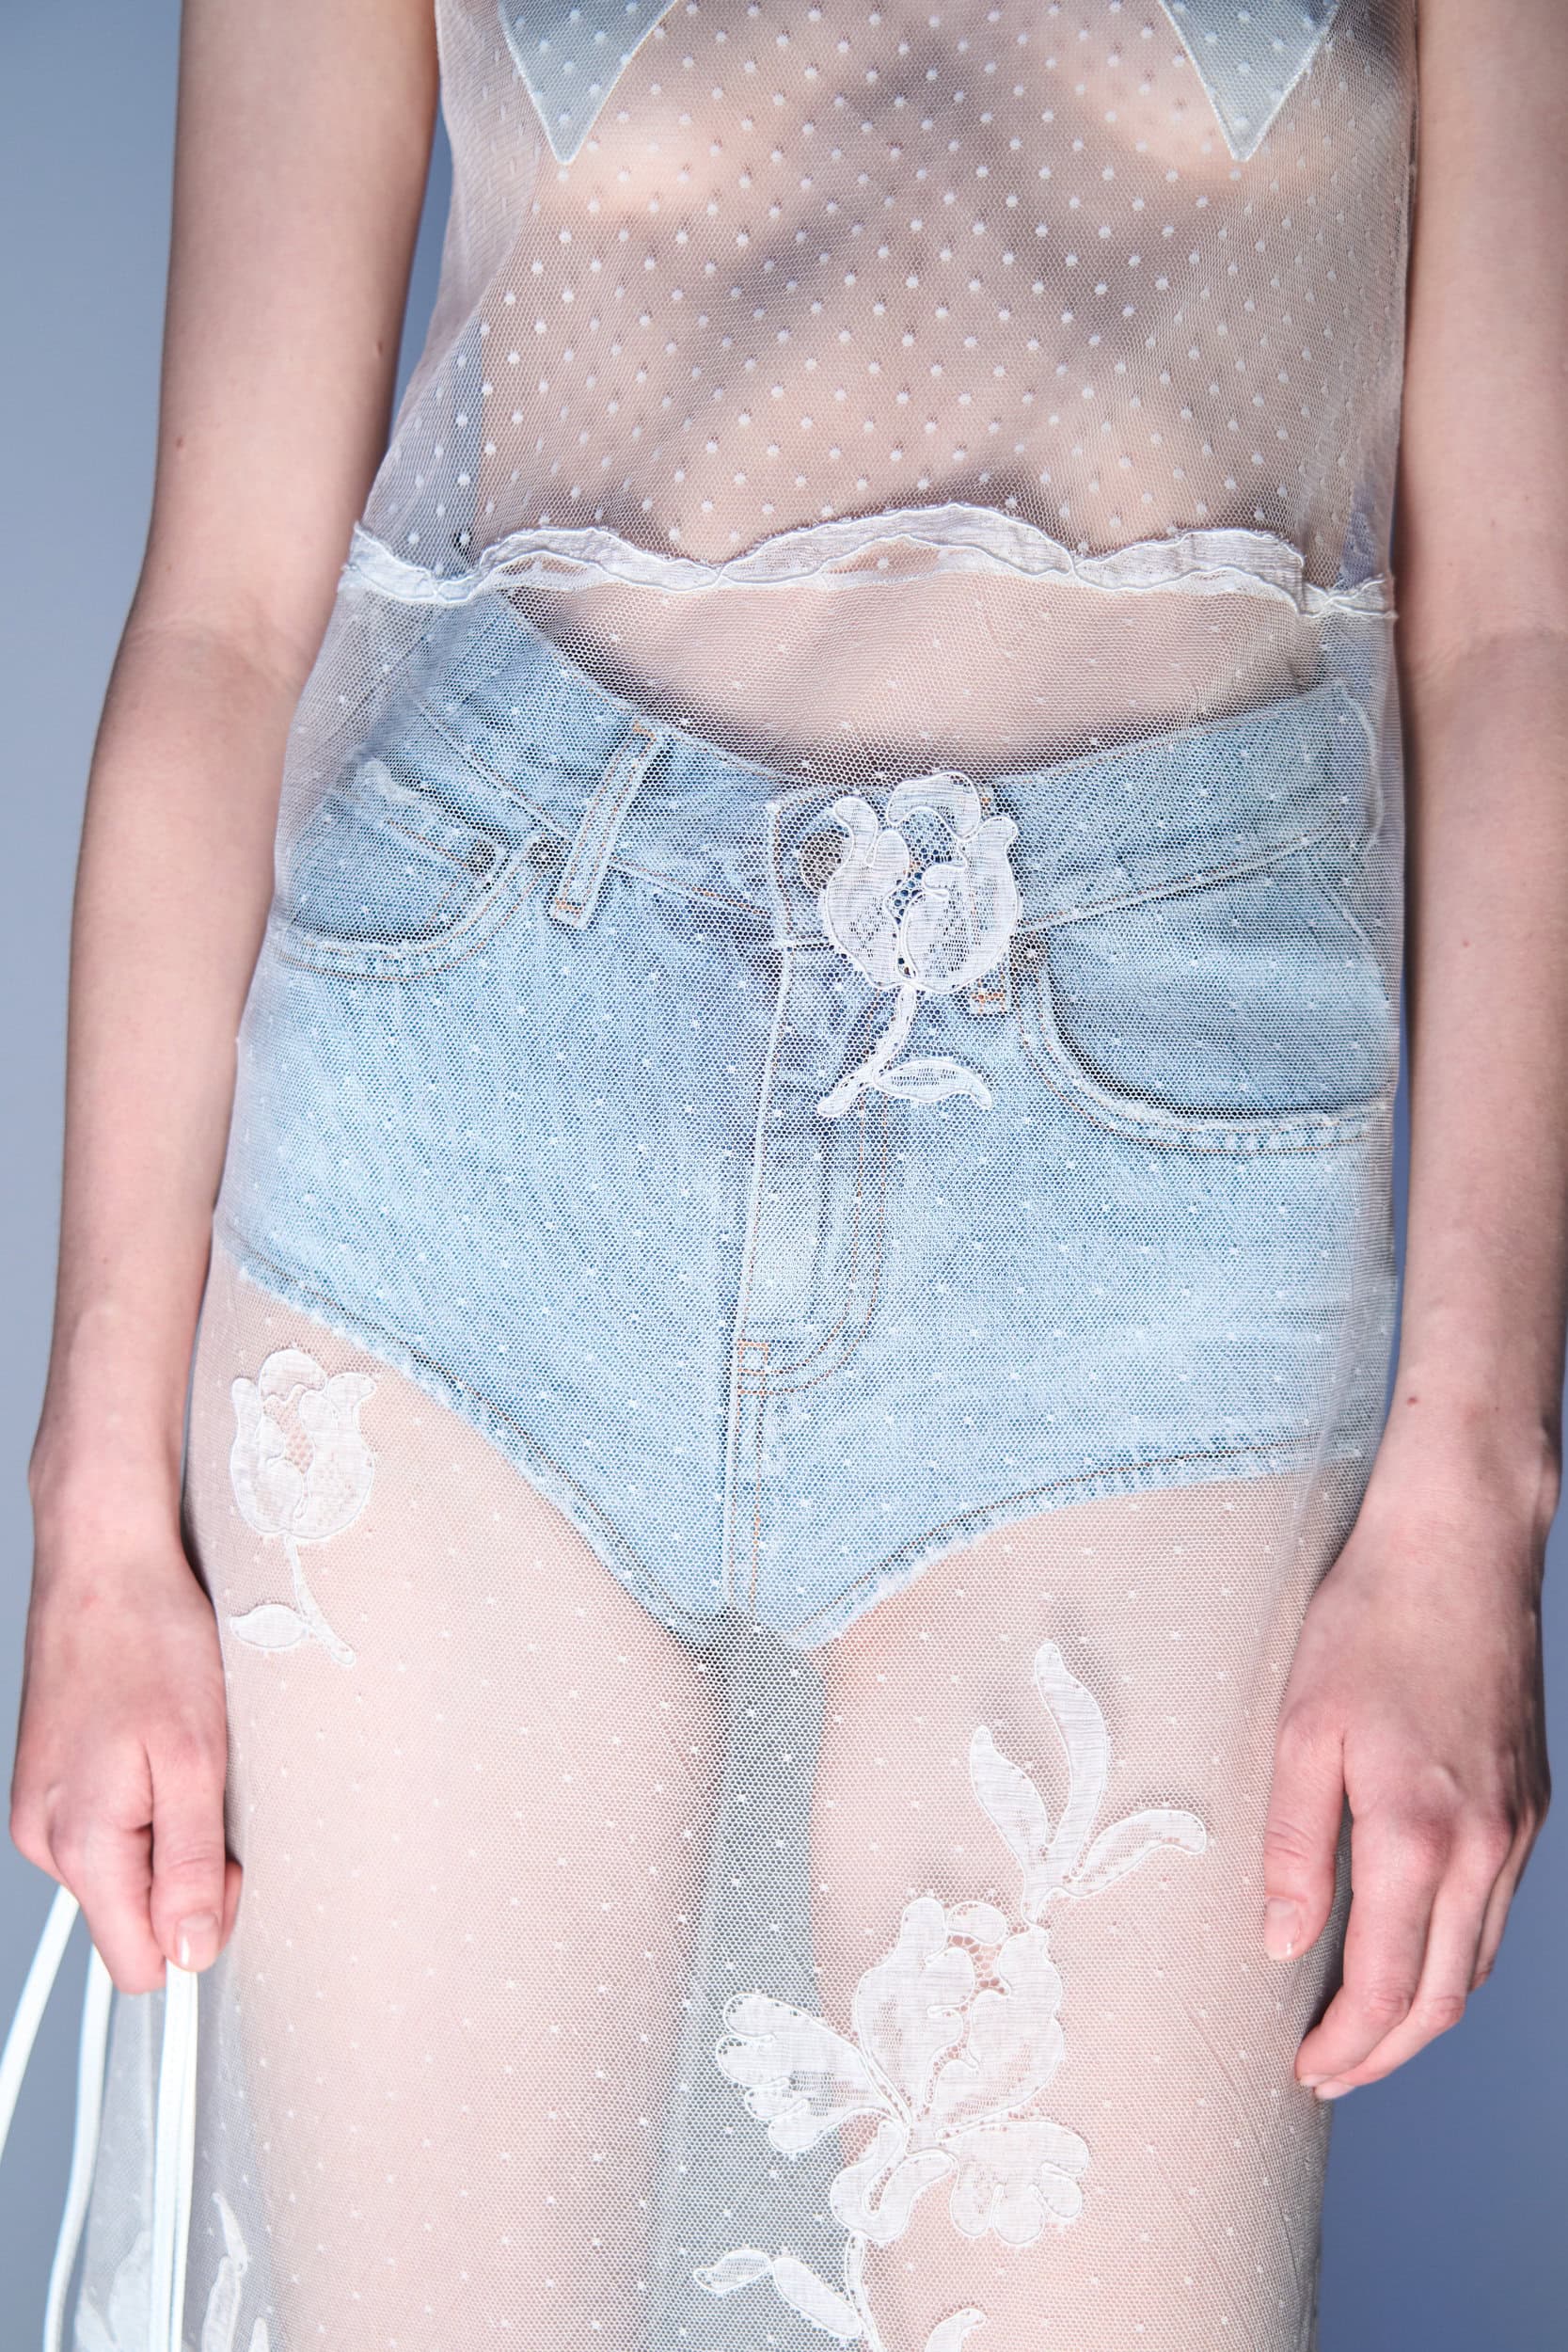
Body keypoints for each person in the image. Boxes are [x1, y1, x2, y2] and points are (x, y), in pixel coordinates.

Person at [3, 0, 1562, 2344]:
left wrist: (1478, 1478)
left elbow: (1523, 635)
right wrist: (98, 1508)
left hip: (1159, 1184)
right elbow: (225, 617)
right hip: (477, 1090)